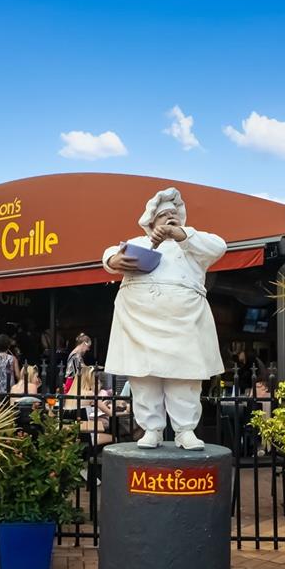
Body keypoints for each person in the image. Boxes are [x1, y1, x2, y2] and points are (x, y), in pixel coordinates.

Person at [102, 187, 226, 450]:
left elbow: (219, 246)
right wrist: (114, 259)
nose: (170, 217)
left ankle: (185, 430)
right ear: (151, 221)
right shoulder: (138, 243)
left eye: (174, 214)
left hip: (184, 324)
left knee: (185, 378)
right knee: (144, 378)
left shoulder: (193, 245)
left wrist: (176, 233)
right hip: (139, 324)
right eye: (164, 215)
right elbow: (111, 254)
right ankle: (152, 428)